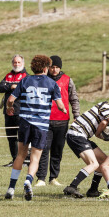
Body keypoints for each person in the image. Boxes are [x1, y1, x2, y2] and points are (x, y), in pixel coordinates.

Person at [4, 54, 66, 201]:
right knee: (35, 158)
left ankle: (11, 188)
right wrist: (64, 109)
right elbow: (60, 105)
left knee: (20, 155)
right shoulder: (51, 83)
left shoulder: (25, 80)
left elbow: (11, 99)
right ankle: (28, 180)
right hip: (41, 125)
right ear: (45, 68)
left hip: (25, 122)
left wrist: (9, 107)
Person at [63, 99, 109, 198]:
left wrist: (98, 134)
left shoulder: (108, 113)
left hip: (82, 136)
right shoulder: (105, 106)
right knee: (94, 164)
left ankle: (93, 190)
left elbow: (103, 124)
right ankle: (72, 187)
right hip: (76, 134)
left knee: (103, 161)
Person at [35, 55, 80, 187]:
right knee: (43, 149)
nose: (54, 70)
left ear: (60, 68)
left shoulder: (67, 80)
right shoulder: (42, 80)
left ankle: (53, 177)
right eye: (52, 67)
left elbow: (74, 99)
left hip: (62, 121)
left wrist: (76, 115)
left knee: (57, 150)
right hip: (45, 120)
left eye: (57, 67)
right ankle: (41, 178)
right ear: (48, 67)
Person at [0, 54, 27, 167]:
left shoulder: (26, 76)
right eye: (15, 62)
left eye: (19, 62)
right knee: (11, 137)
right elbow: (0, 87)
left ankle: (24, 160)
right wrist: (11, 86)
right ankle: (15, 160)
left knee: (22, 137)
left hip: (21, 111)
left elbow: (25, 89)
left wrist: (15, 86)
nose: (17, 64)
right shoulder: (8, 75)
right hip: (8, 111)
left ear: (23, 63)